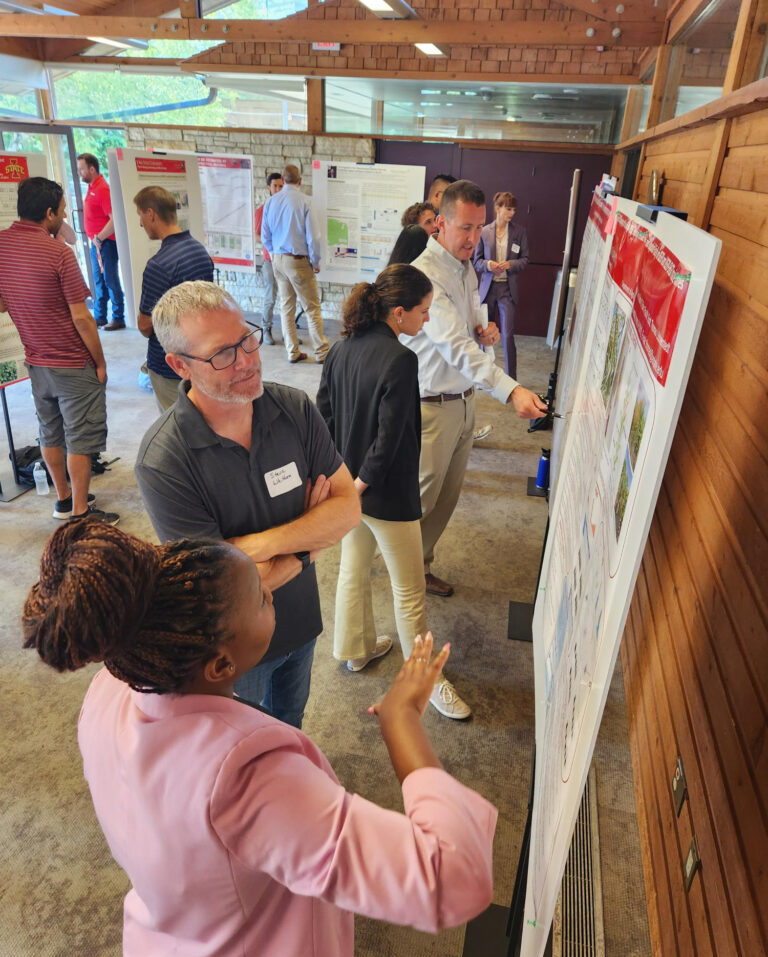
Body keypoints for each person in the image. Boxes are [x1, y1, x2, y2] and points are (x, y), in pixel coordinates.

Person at [23, 519, 496, 957]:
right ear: (222, 666)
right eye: (261, 598)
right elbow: (451, 875)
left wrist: (265, 571)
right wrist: (402, 723)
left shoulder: (112, 687)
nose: (271, 592)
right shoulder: (248, 777)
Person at [135, 281, 359, 729]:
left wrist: (255, 546)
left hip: (300, 622)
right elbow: (224, 591)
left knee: (290, 728)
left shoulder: (293, 408)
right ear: (180, 365)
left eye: (247, 338)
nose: (248, 361)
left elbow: (348, 508)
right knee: (239, 757)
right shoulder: (164, 461)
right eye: (223, 354)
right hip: (232, 655)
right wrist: (308, 543)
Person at [317, 265, 471, 720]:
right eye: (422, 313)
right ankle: (427, 681)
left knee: (353, 570)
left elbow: (322, 416)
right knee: (409, 592)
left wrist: (343, 482)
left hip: (349, 489)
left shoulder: (340, 348)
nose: (425, 321)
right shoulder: (402, 360)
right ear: (398, 313)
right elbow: (389, 439)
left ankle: (355, 650)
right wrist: (362, 482)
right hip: (383, 493)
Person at [404, 180, 547, 597]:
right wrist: (512, 390)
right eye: (465, 228)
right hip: (432, 406)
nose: (474, 238)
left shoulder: (463, 266)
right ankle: (403, 575)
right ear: (441, 224)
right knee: (420, 501)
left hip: (463, 401)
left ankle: (420, 566)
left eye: (479, 228)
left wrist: (484, 329)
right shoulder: (426, 275)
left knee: (445, 501)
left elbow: (466, 330)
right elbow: (454, 347)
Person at [0, 176, 118, 525]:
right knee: (80, 437)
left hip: (36, 360)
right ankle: (81, 513)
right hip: (71, 360)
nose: (64, 219)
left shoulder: (2, 245)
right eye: (62, 212)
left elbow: (3, 304)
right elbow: (83, 319)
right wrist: (100, 362)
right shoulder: (59, 254)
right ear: (49, 213)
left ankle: (63, 500)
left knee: (50, 431)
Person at [134, 185, 214, 413]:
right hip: (198, 357)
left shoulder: (159, 265)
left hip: (169, 366)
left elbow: (145, 326)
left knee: (177, 429)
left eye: (140, 215)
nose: (140, 223)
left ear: (151, 214)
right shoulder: (199, 252)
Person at [261, 163, 328, 364]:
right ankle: (322, 353)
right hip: (297, 261)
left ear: (283, 179)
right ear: (300, 181)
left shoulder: (271, 202)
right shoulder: (305, 201)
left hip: (278, 260)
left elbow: (265, 236)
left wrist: (275, 255)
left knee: (286, 307)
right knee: (312, 308)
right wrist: (315, 261)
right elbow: (313, 237)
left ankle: (292, 352)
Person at [473, 191, 530, 379]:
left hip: (507, 289)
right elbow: (477, 261)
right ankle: (484, 373)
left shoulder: (519, 232)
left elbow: (525, 259)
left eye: (514, 209)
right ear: (498, 208)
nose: (512, 213)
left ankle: (511, 378)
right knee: (484, 335)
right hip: (488, 289)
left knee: (507, 334)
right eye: (508, 209)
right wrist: (489, 265)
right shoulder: (484, 231)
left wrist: (510, 264)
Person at [77, 153, 125, 331]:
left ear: (92, 169)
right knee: (99, 280)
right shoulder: (92, 187)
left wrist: (99, 238)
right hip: (97, 244)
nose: (79, 172)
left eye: (82, 168)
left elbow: (115, 220)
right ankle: (100, 316)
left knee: (110, 280)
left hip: (106, 244)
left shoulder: (103, 189)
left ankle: (119, 317)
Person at [254, 171, 284, 346]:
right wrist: (271, 243)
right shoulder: (263, 210)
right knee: (270, 297)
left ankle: (289, 334)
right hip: (270, 261)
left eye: (281, 186)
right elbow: (257, 235)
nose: (278, 189)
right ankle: (266, 330)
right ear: (269, 188)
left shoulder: (287, 208)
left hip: (286, 260)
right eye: (275, 186)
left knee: (288, 298)